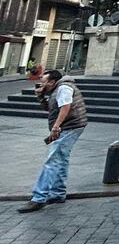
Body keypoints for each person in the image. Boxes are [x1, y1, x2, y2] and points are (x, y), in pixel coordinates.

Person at [17, 70, 88, 213]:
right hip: (72, 125)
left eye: (44, 81)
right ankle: (58, 193)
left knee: (52, 160)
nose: (41, 83)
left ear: (51, 81)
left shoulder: (63, 88)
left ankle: (38, 198)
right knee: (61, 158)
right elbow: (50, 109)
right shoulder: (57, 89)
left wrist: (56, 127)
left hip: (70, 127)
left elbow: (65, 107)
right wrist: (41, 96)